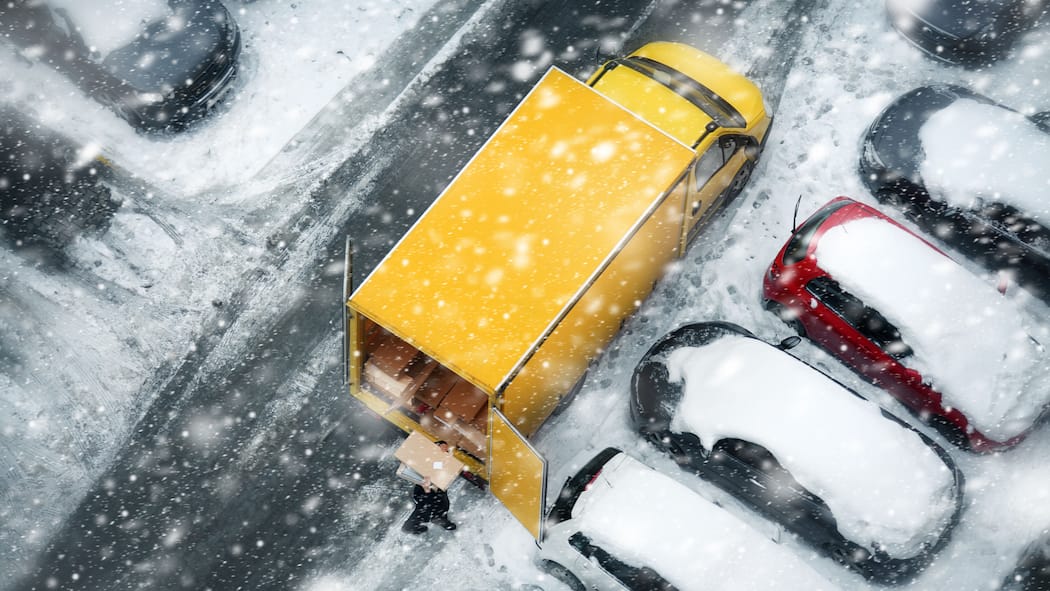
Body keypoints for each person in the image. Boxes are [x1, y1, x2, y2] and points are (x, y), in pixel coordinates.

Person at [401, 440, 457, 534]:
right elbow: (432, 469)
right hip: (424, 488)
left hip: (434, 486)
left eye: (446, 450)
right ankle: (409, 526)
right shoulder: (429, 458)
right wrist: (427, 488)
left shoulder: (438, 459)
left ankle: (439, 518)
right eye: (442, 448)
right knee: (426, 506)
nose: (444, 451)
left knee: (442, 502)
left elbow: (438, 468)